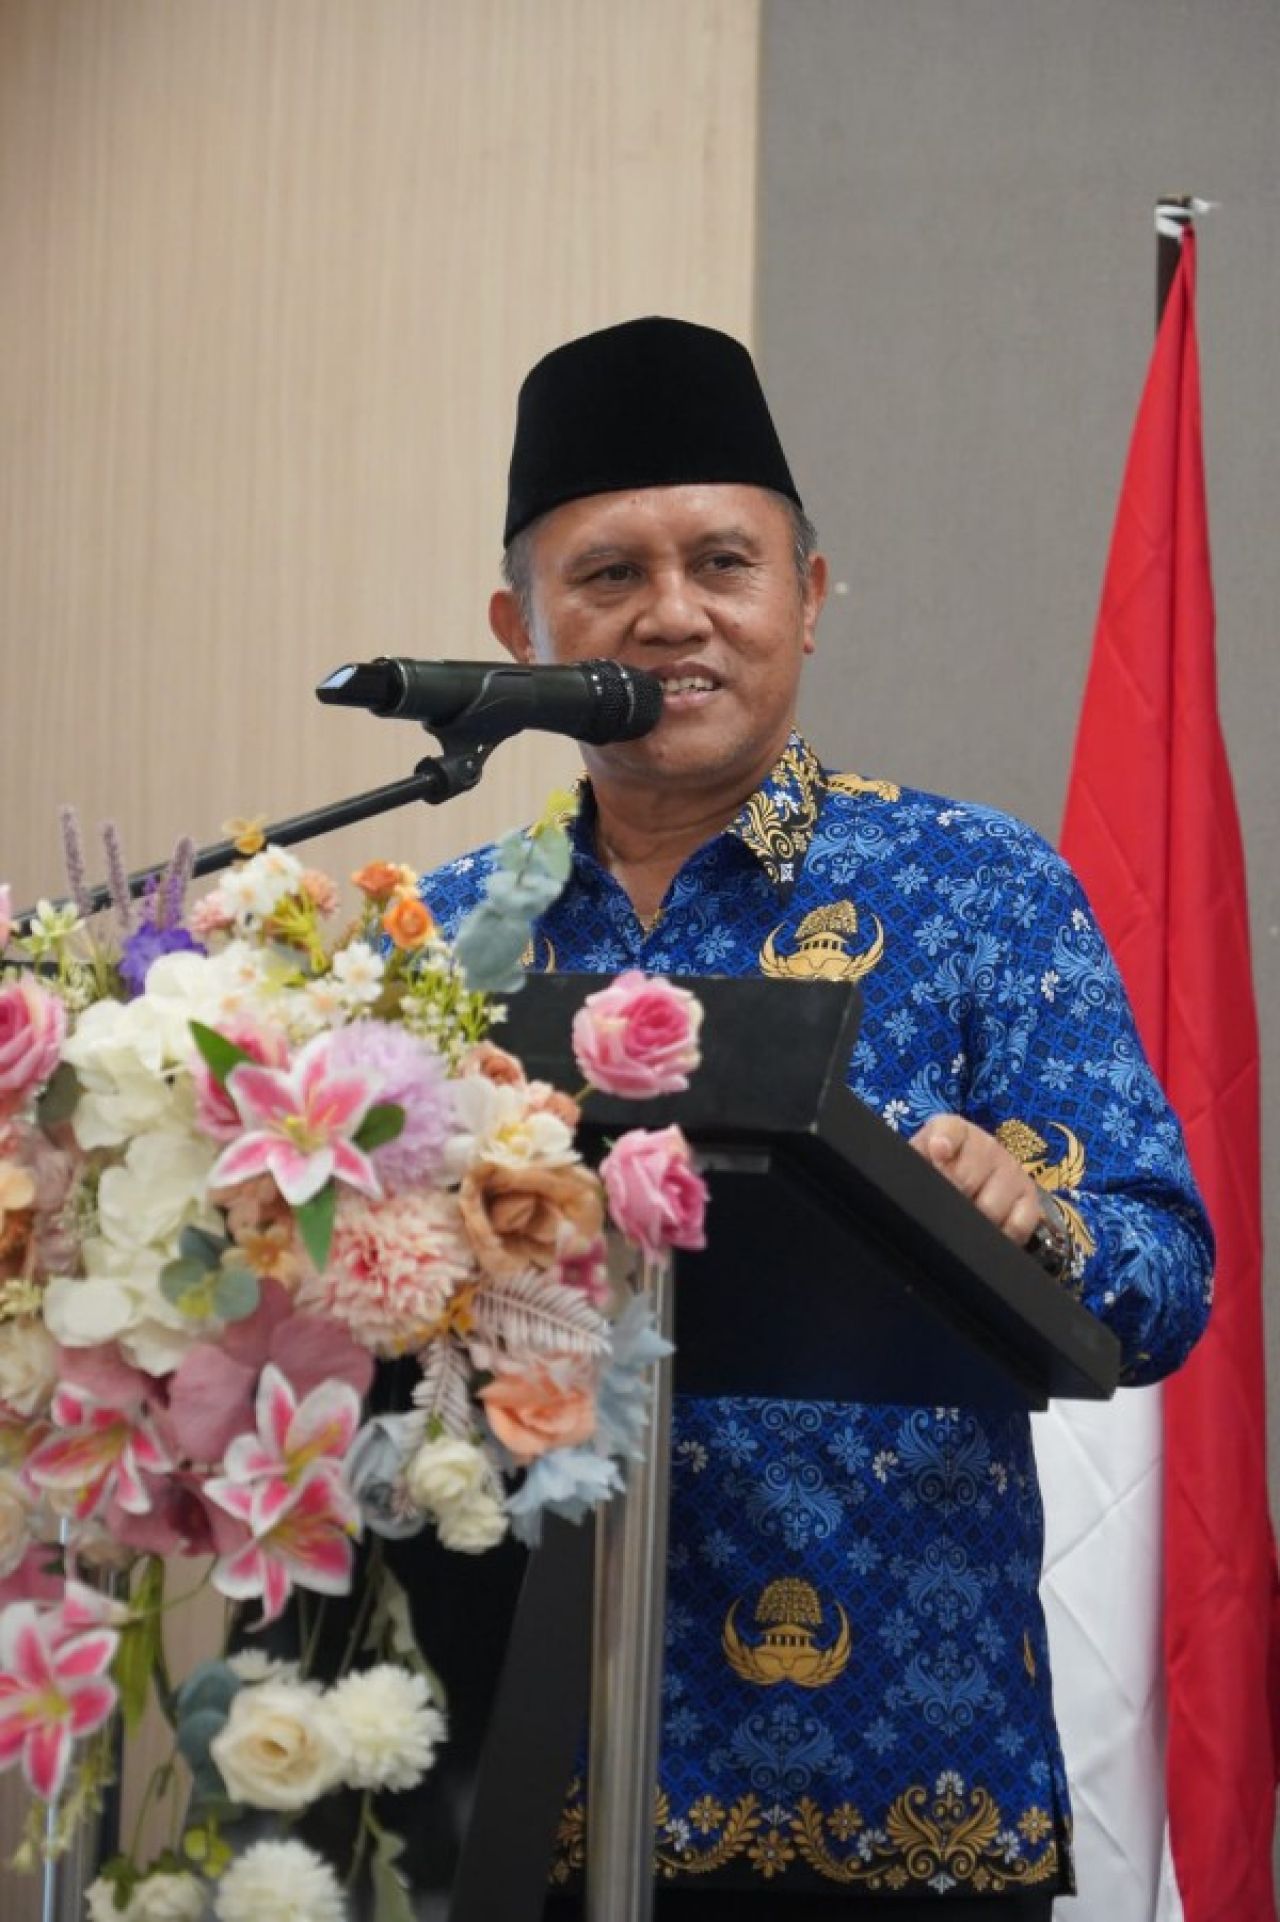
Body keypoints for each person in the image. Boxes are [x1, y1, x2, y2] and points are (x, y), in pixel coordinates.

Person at [419, 319, 1213, 1920]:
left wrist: (1038, 1217)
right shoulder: (436, 937)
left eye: (726, 561)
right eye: (609, 573)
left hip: (889, 1787)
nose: (673, 613)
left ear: (810, 594)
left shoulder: (978, 889)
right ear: (518, 628)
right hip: (510, 1781)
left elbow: (1166, 1278)